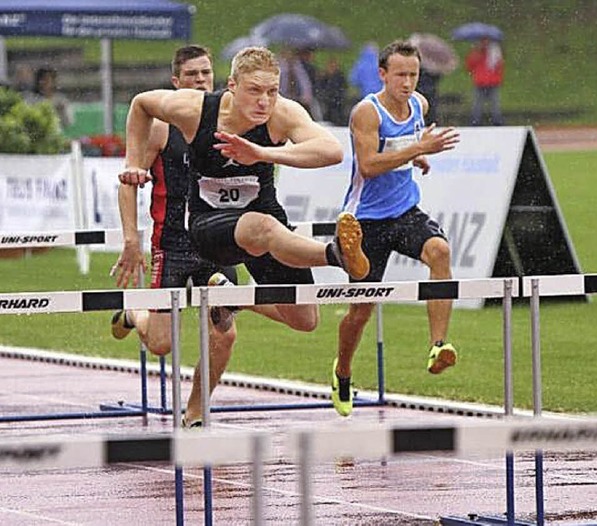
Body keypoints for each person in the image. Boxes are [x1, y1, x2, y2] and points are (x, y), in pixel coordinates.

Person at [118, 46, 370, 413]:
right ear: (232, 86)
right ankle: (337, 255)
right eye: (255, 91)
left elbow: (331, 151)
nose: (264, 101)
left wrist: (264, 154)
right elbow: (141, 103)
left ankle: (234, 297)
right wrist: (131, 161)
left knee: (305, 319)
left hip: (261, 218)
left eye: (272, 91)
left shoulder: (281, 113)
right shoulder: (193, 109)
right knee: (260, 228)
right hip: (206, 229)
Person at [110, 45, 240, 428]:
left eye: (205, 74)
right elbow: (127, 182)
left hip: (216, 241)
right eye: (191, 75)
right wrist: (131, 240)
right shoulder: (160, 129)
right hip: (172, 244)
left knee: (225, 334)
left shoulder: (226, 121)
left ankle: (196, 410)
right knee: (163, 343)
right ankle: (136, 312)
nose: (200, 81)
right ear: (175, 82)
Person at [331, 40, 460, 417]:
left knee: (440, 252)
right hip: (364, 221)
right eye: (400, 74)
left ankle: (439, 344)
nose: (407, 82)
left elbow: (403, 146)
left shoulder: (419, 105)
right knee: (361, 311)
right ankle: (342, 370)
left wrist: (417, 157)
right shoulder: (366, 113)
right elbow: (368, 165)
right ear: (383, 74)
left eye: (413, 75)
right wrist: (418, 148)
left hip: (404, 211)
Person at [465, 38, 504, 126]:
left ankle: (497, 121)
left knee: (495, 105)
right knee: (477, 105)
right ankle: (475, 122)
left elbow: (499, 66)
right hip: (480, 82)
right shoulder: (476, 53)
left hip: (492, 82)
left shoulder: (494, 53)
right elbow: (469, 66)